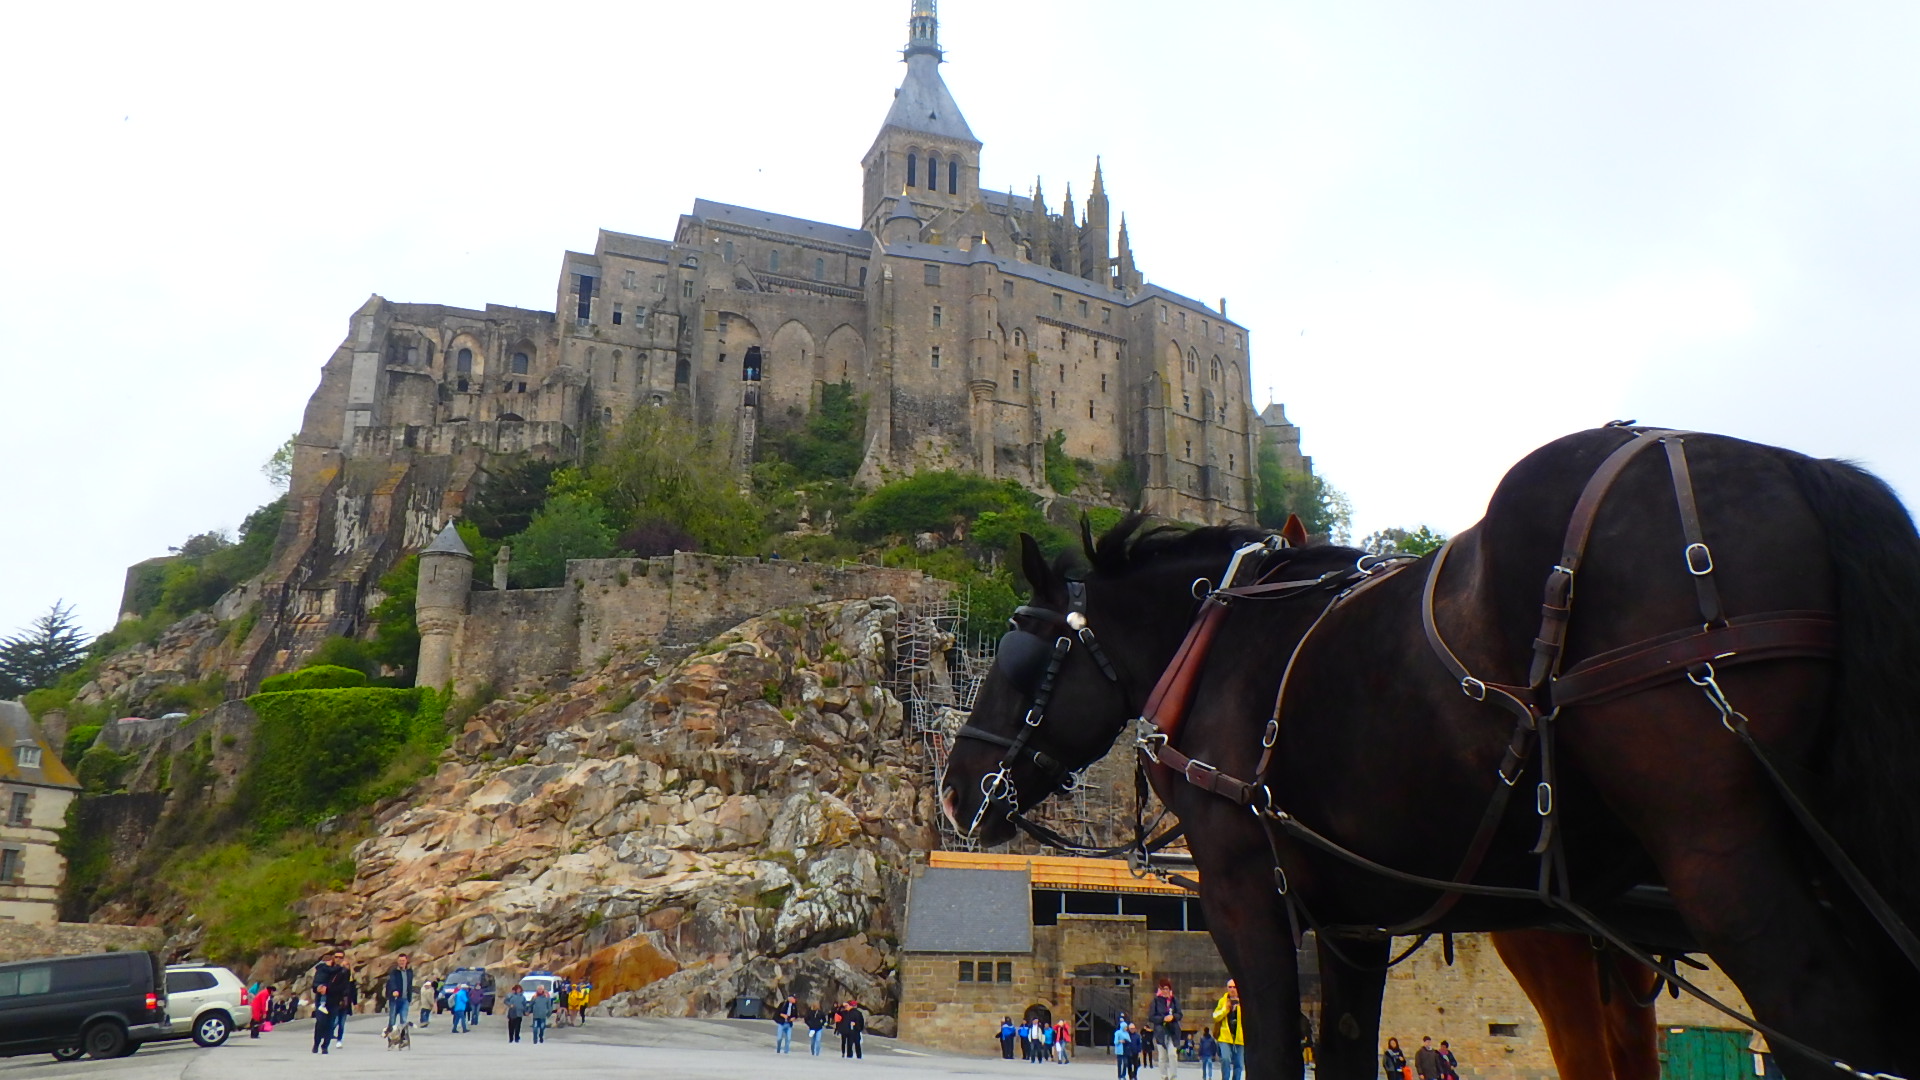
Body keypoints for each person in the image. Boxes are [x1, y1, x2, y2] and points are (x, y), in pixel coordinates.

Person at [310, 949, 351, 1054]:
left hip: (334, 999)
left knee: (330, 1024)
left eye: (340, 957)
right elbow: (315, 983)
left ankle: (325, 1046)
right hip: (321, 1000)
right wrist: (318, 988)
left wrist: (329, 990)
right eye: (336, 957)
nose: (338, 959)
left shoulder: (344, 971)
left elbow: (344, 987)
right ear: (332, 957)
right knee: (320, 1023)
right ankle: (316, 1043)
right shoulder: (323, 968)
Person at [1211, 980, 1244, 1080]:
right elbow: (1215, 1016)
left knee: (1239, 1063)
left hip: (1239, 1037)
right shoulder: (1223, 1001)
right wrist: (1226, 1009)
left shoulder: (1243, 1001)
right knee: (1225, 1058)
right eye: (1230, 987)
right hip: (1225, 1036)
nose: (1232, 989)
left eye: (1234, 987)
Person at [1152, 979, 1182, 1079]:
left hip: (1173, 1031)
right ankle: (1164, 1076)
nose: (1165, 991)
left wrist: (1173, 1017)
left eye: (1167, 989)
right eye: (1163, 989)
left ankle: (1173, 1076)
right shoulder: (1156, 1001)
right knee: (1162, 1057)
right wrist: (1163, 1018)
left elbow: (1179, 1014)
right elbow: (1151, 1017)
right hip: (1160, 1031)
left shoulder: (1174, 1000)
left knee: (1172, 1054)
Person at [385, 953, 415, 1035]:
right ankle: (390, 1037)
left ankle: (403, 1037)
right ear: (397, 961)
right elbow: (392, 981)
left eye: (403, 960)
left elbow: (409, 985)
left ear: (406, 961)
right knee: (392, 1020)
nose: (402, 962)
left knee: (404, 1020)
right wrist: (394, 990)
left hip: (405, 999)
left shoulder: (409, 972)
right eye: (400, 960)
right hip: (395, 999)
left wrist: (409, 998)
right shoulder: (394, 972)